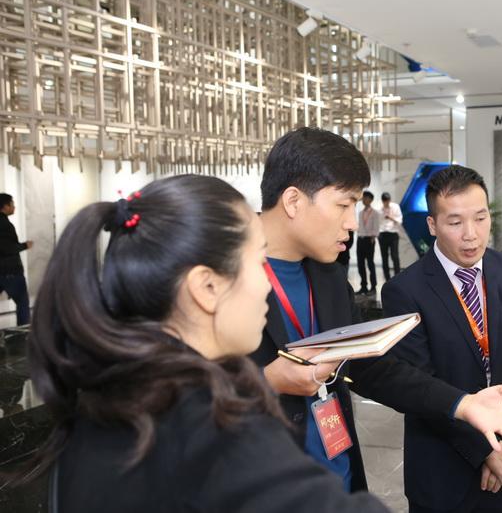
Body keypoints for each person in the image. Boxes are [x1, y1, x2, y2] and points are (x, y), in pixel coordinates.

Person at [12, 175, 391, 511]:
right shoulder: (218, 428)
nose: (266, 284)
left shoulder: (106, 399)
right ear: (206, 287)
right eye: (258, 262)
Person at [250, 127, 502, 494]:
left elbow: (371, 369)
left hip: (337, 487)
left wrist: (462, 404)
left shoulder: (329, 278)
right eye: (343, 205)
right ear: (294, 201)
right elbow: (183, 400)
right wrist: (265, 382)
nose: (352, 222)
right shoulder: (214, 275)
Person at [383, 165, 502, 513]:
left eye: (480, 218)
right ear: (432, 225)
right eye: (455, 222)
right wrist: (486, 452)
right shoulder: (404, 291)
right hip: (441, 468)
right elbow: (420, 386)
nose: (471, 234)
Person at [0, 193, 33, 325]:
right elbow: (7, 248)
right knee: (22, 303)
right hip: (10, 271)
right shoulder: (5, 225)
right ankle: (22, 333)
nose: (14, 207)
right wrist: (24, 245)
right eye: (12, 204)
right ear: (5, 206)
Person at [356, 190, 380, 294]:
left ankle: (373, 287)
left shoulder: (375, 213)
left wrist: (373, 237)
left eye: (366, 198)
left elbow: (376, 227)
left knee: (370, 264)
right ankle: (363, 286)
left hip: (369, 240)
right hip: (360, 239)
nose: (364, 200)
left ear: (370, 200)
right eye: (363, 198)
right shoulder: (360, 213)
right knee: (360, 264)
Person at [378, 192, 403, 281]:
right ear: (382, 201)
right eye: (385, 201)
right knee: (384, 257)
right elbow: (378, 223)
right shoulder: (379, 209)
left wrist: (391, 218)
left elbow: (400, 221)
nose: (386, 203)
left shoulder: (395, 207)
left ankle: (398, 278)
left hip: (393, 234)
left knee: (395, 256)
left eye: (388, 201)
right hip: (382, 234)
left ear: (390, 200)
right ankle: (387, 279)